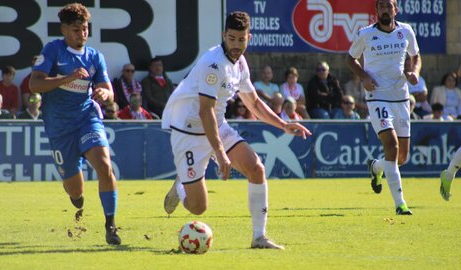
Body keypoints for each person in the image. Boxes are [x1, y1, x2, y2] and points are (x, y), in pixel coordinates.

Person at [161, 11, 311, 250]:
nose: (236, 45)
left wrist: (283, 124)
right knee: (199, 207)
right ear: (224, 36)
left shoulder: (240, 64)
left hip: (217, 125)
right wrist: (220, 153)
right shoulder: (213, 64)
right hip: (189, 132)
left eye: (241, 40)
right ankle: (181, 186)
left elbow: (253, 103)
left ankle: (259, 237)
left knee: (256, 168)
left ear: (248, 38)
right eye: (231, 39)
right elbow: (205, 111)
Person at [29, 3, 121, 245]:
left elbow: (107, 89)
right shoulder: (52, 51)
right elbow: (34, 84)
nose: (82, 34)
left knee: (105, 167)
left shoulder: (94, 57)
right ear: (64, 30)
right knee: (75, 190)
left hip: (87, 119)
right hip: (59, 128)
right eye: (76, 29)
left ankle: (111, 225)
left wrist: (105, 95)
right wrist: (67, 78)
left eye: (85, 28)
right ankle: (78, 201)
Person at [347, 0, 421, 215]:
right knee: (392, 145)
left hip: (400, 97)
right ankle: (400, 203)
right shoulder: (366, 33)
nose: (386, 10)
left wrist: (414, 71)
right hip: (377, 96)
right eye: (382, 7)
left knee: (401, 158)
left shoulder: (406, 31)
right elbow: (351, 59)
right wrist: (364, 77)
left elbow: (415, 56)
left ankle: (376, 167)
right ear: (376, 10)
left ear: (395, 10)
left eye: (389, 6)